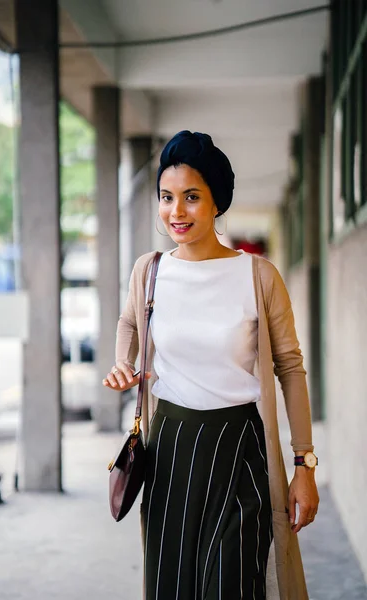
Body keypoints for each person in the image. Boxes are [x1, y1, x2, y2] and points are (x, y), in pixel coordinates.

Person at [103, 130, 319, 600]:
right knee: (172, 585)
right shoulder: (151, 270)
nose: (176, 211)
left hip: (242, 448)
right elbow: (129, 322)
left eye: (191, 197)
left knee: (233, 586)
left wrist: (304, 463)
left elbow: (290, 368)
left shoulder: (258, 276)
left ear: (216, 202)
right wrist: (124, 363)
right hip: (171, 450)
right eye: (167, 197)